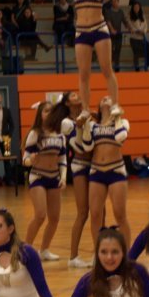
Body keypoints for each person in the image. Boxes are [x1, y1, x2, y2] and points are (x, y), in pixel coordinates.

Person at [18, 0, 149, 108]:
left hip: (99, 30)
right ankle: (85, 110)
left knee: (107, 70)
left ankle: (115, 105)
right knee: (83, 75)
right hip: (82, 32)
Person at [23, 97, 73, 261]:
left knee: (54, 218)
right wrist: (31, 160)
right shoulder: (35, 134)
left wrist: (63, 177)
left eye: (51, 111)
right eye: (46, 111)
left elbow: (63, 159)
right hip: (38, 176)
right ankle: (24, 249)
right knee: (40, 215)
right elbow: (25, 159)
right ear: (40, 114)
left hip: (54, 178)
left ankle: (44, 250)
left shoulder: (60, 135)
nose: (49, 114)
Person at [81, 97, 131, 246]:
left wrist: (117, 116)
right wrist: (85, 125)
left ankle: (127, 253)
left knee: (120, 215)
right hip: (96, 171)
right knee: (96, 215)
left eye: (109, 98)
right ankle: (98, 251)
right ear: (98, 106)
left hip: (116, 170)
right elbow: (87, 146)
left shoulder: (123, 122)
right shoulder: (93, 125)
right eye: (103, 99)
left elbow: (121, 137)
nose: (105, 99)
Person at [64, 92, 93, 268]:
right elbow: (80, 147)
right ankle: (73, 257)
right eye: (73, 96)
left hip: (96, 165)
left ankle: (99, 254)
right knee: (83, 212)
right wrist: (83, 125)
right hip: (80, 165)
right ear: (67, 103)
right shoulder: (66, 123)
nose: (78, 96)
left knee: (99, 212)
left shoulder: (89, 116)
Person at [127, 0, 148, 72]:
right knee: (135, 52)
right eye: (135, 7)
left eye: (138, 7)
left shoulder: (143, 16)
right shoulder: (130, 16)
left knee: (143, 52)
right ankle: (137, 67)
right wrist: (137, 31)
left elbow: (145, 25)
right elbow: (130, 25)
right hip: (134, 38)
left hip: (142, 37)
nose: (136, 8)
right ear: (133, 8)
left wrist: (143, 31)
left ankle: (146, 66)